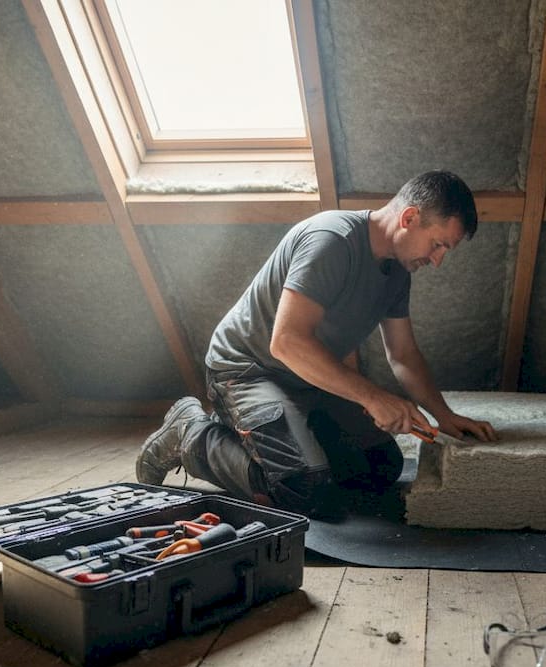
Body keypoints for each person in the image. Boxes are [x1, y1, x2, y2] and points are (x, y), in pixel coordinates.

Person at [135, 169, 498, 519]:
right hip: (249, 371)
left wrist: (444, 415)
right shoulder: (332, 239)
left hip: (312, 377)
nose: (437, 261)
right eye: (438, 245)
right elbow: (287, 342)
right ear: (409, 218)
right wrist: (371, 397)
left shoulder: (398, 271)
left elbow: (403, 354)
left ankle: (289, 441)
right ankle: (192, 434)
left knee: (380, 466)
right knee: (303, 490)